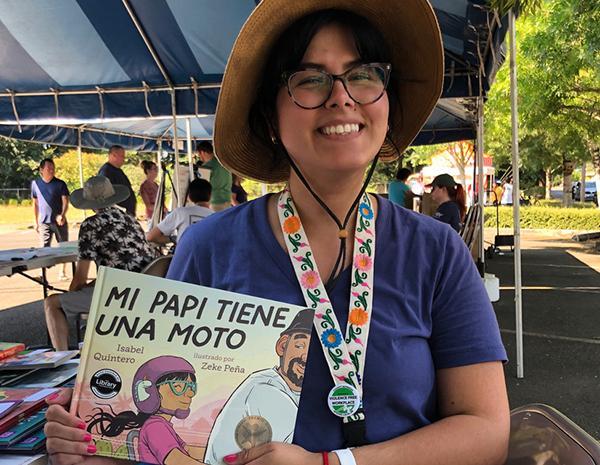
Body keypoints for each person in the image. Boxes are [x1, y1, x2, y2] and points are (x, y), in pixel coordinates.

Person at [45, 2, 509, 465]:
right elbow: (169, 429)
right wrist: (96, 449)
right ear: (271, 118)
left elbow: (486, 431)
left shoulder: (436, 251)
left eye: (363, 74)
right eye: (310, 79)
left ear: (388, 102)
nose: (341, 97)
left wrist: (331, 464)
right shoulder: (209, 249)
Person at [43, 176, 156, 351]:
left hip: (119, 295)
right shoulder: (131, 220)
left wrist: (72, 296)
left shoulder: (91, 225)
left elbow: (80, 279)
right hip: (145, 291)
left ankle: (62, 361)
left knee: (52, 303)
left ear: (88, 203)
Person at [205, 309, 312, 464]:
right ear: (282, 346)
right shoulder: (266, 390)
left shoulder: (296, 391)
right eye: (301, 345)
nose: (305, 356)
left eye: (314, 351)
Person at [85, 356, 204, 464]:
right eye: (178, 386)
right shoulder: (155, 427)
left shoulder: (163, 425)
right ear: (150, 390)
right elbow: (177, 460)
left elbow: (187, 450)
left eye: (191, 387)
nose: (189, 394)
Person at [31, 158, 70, 279]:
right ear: (41, 170)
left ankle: (62, 272)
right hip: (44, 222)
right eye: (49, 168)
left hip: (59, 221)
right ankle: (43, 274)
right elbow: (35, 203)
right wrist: (35, 221)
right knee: (43, 247)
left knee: (63, 247)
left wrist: (62, 214)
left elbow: (65, 201)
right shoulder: (35, 184)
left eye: (53, 168)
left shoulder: (60, 184)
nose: (52, 170)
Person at [146, 178, 214, 245]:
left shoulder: (180, 212)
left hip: (184, 255)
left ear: (189, 196)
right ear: (210, 196)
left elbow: (151, 237)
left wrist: (173, 239)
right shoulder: (217, 217)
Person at [98, 145, 136, 216]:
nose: (124, 159)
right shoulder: (106, 172)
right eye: (122, 156)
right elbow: (105, 197)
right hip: (117, 215)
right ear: (113, 155)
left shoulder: (118, 170)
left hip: (126, 214)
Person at [196, 141, 232, 211]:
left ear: (202, 152)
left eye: (199, 155)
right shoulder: (223, 163)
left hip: (215, 202)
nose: (200, 158)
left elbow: (202, 187)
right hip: (228, 201)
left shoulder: (206, 167)